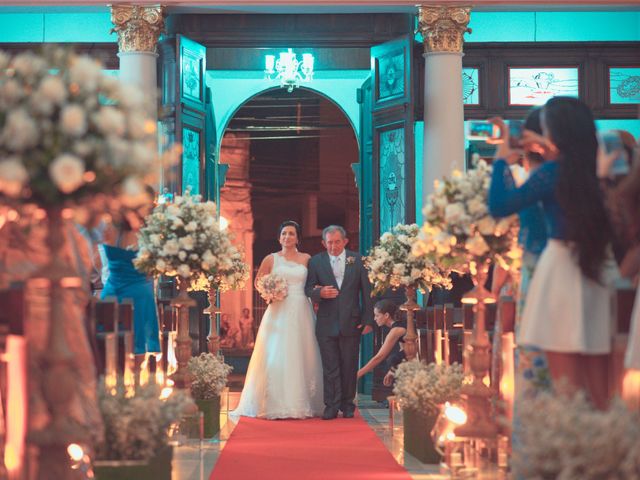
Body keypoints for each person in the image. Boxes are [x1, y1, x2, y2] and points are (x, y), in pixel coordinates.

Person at [488, 96, 617, 410]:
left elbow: (501, 205)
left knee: (561, 369)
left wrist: (503, 159)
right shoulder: (599, 168)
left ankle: (566, 441)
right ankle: (605, 440)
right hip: (597, 267)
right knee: (597, 368)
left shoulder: (552, 173)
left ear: (557, 134)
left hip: (559, 267)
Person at [231, 221, 324, 420]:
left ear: (298, 238)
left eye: (291, 234)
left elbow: (312, 283)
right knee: (277, 353)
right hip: (278, 310)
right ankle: (275, 402)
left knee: (302, 353)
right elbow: (258, 282)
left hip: (301, 309)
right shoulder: (270, 259)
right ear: (279, 237)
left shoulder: (307, 259)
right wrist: (269, 293)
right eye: (284, 233)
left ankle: (302, 402)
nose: (287, 237)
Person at [305, 225, 374, 420]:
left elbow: (366, 292)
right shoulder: (316, 262)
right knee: (330, 366)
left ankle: (348, 404)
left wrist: (368, 319)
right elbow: (308, 288)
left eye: (337, 242)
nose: (333, 246)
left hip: (352, 321)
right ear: (323, 243)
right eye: (329, 243)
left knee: (349, 364)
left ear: (345, 242)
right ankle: (331, 405)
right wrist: (320, 293)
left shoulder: (358, 260)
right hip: (326, 322)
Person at [100, 187, 161, 367]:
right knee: (133, 341)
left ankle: (121, 379)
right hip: (132, 290)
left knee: (121, 340)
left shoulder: (110, 229)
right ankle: (130, 381)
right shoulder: (146, 233)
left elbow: (100, 264)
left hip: (120, 289)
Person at [356, 299, 406, 385]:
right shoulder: (397, 327)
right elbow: (404, 350)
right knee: (394, 359)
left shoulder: (396, 330)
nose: (375, 319)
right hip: (412, 359)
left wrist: (357, 375)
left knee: (392, 359)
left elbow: (379, 357)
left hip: (421, 359)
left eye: (377, 315)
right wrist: (392, 370)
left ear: (386, 315)